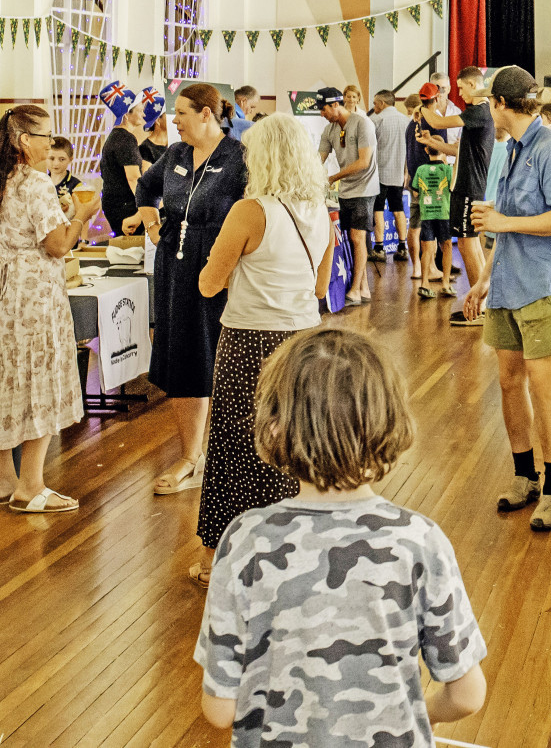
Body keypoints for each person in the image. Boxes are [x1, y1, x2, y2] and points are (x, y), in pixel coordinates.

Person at [196, 327, 487, 745]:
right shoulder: (420, 541)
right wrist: (415, 717)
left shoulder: (246, 541)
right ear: (389, 421)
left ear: (275, 425)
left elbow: (219, 709)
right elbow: (467, 694)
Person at [189, 113, 332, 587]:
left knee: (236, 446)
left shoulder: (251, 210)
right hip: (304, 341)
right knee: (295, 443)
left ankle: (219, 557)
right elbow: (319, 287)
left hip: (252, 339)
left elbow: (209, 284)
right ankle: (291, 551)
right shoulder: (320, 211)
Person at [461, 65, 551, 533]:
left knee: (542, 386)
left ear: (499, 104)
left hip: (543, 284)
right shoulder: (510, 149)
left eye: (485, 102)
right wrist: (484, 277)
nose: (484, 110)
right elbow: (509, 219)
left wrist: (501, 224)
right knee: (509, 382)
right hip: (509, 282)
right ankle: (524, 477)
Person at [0, 104, 98, 514]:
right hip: (37, 290)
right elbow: (57, 245)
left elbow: (25, 228)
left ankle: (3, 480)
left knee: (6, 374)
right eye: (46, 136)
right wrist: (80, 216)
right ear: (25, 140)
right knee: (39, 375)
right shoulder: (37, 183)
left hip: (8, 284)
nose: (51, 143)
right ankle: (31, 485)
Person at [136, 81, 249, 498]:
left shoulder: (239, 157)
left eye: (181, 113)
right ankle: (190, 457)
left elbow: (256, 209)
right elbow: (146, 189)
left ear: (206, 113)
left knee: (221, 359)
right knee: (184, 357)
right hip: (173, 265)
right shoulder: (176, 154)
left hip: (219, 266)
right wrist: (151, 225)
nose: (174, 121)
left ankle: (230, 455)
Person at [422, 67, 495, 329]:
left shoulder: (478, 110)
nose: (459, 92)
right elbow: (457, 149)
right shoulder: (477, 115)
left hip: (469, 185)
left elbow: (439, 122)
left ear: (475, 85)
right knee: (470, 243)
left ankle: (480, 307)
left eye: (462, 87)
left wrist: (424, 104)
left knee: (466, 243)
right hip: (467, 183)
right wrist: (433, 142)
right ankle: (485, 304)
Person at [318, 84, 378, 306]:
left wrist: (333, 177)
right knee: (351, 239)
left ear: (335, 105)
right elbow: (319, 159)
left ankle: (355, 289)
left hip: (365, 189)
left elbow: (364, 162)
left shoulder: (363, 124)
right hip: (345, 191)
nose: (321, 114)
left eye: (324, 109)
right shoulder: (330, 130)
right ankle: (363, 287)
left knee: (357, 238)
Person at [98, 89, 154, 237]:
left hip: (114, 203)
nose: (143, 114)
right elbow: (133, 178)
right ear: (126, 116)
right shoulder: (126, 139)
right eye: (140, 111)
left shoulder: (115, 136)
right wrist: (145, 207)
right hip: (124, 205)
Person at [370, 87, 413, 261]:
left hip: (378, 174)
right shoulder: (406, 121)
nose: (374, 106)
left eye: (375, 103)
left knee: (378, 210)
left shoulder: (375, 120)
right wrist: (405, 172)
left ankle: (379, 248)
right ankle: (403, 247)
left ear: (382, 103)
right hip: (397, 173)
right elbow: (409, 149)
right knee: (398, 209)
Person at [412, 148, 455, 298]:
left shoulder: (421, 169)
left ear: (426, 150)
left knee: (427, 249)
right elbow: (452, 188)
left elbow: (415, 192)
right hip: (444, 214)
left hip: (426, 215)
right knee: (447, 247)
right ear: (443, 151)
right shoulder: (447, 170)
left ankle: (424, 284)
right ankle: (445, 284)